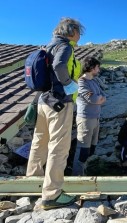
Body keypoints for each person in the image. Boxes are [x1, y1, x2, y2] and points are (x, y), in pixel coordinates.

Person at [26, 17, 84, 210]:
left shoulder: (48, 46)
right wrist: (68, 84)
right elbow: (59, 66)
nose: (80, 36)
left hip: (44, 101)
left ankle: (31, 187)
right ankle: (52, 194)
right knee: (59, 147)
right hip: (60, 103)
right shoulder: (65, 47)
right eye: (78, 32)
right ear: (71, 31)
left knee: (39, 143)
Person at [72, 57, 106, 176]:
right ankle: (76, 177)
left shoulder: (94, 81)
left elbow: (103, 96)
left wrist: (98, 99)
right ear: (91, 68)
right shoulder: (81, 82)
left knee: (91, 148)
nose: (99, 69)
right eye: (97, 67)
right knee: (82, 150)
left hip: (96, 118)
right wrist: (98, 99)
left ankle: (83, 172)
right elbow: (93, 99)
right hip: (85, 119)